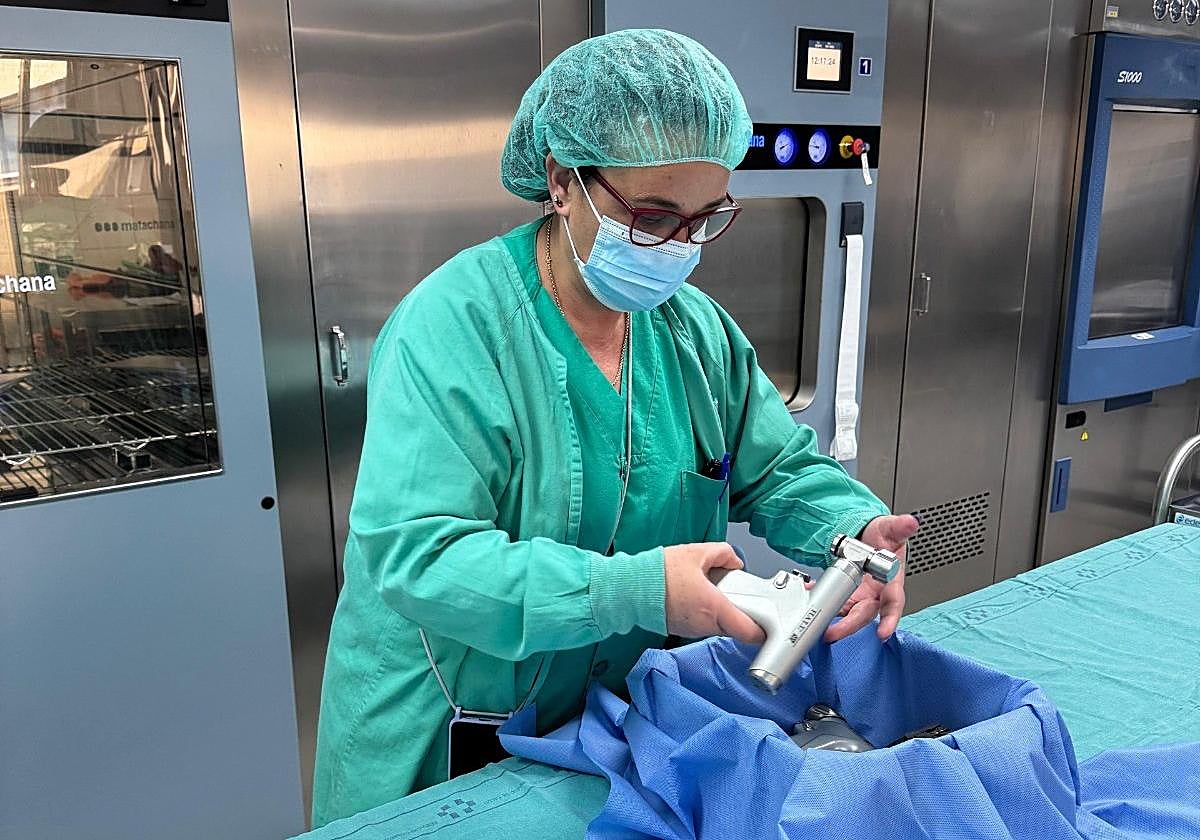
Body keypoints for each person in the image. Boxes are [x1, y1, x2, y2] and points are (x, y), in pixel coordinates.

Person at [311, 28, 918, 827]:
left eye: (704, 219)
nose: (678, 248)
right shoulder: (455, 329)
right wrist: (636, 591)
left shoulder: (694, 333)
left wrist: (853, 528)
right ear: (563, 181)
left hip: (615, 725)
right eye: (653, 217)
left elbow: (775, 468)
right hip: (453, 733)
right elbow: (421, 557)